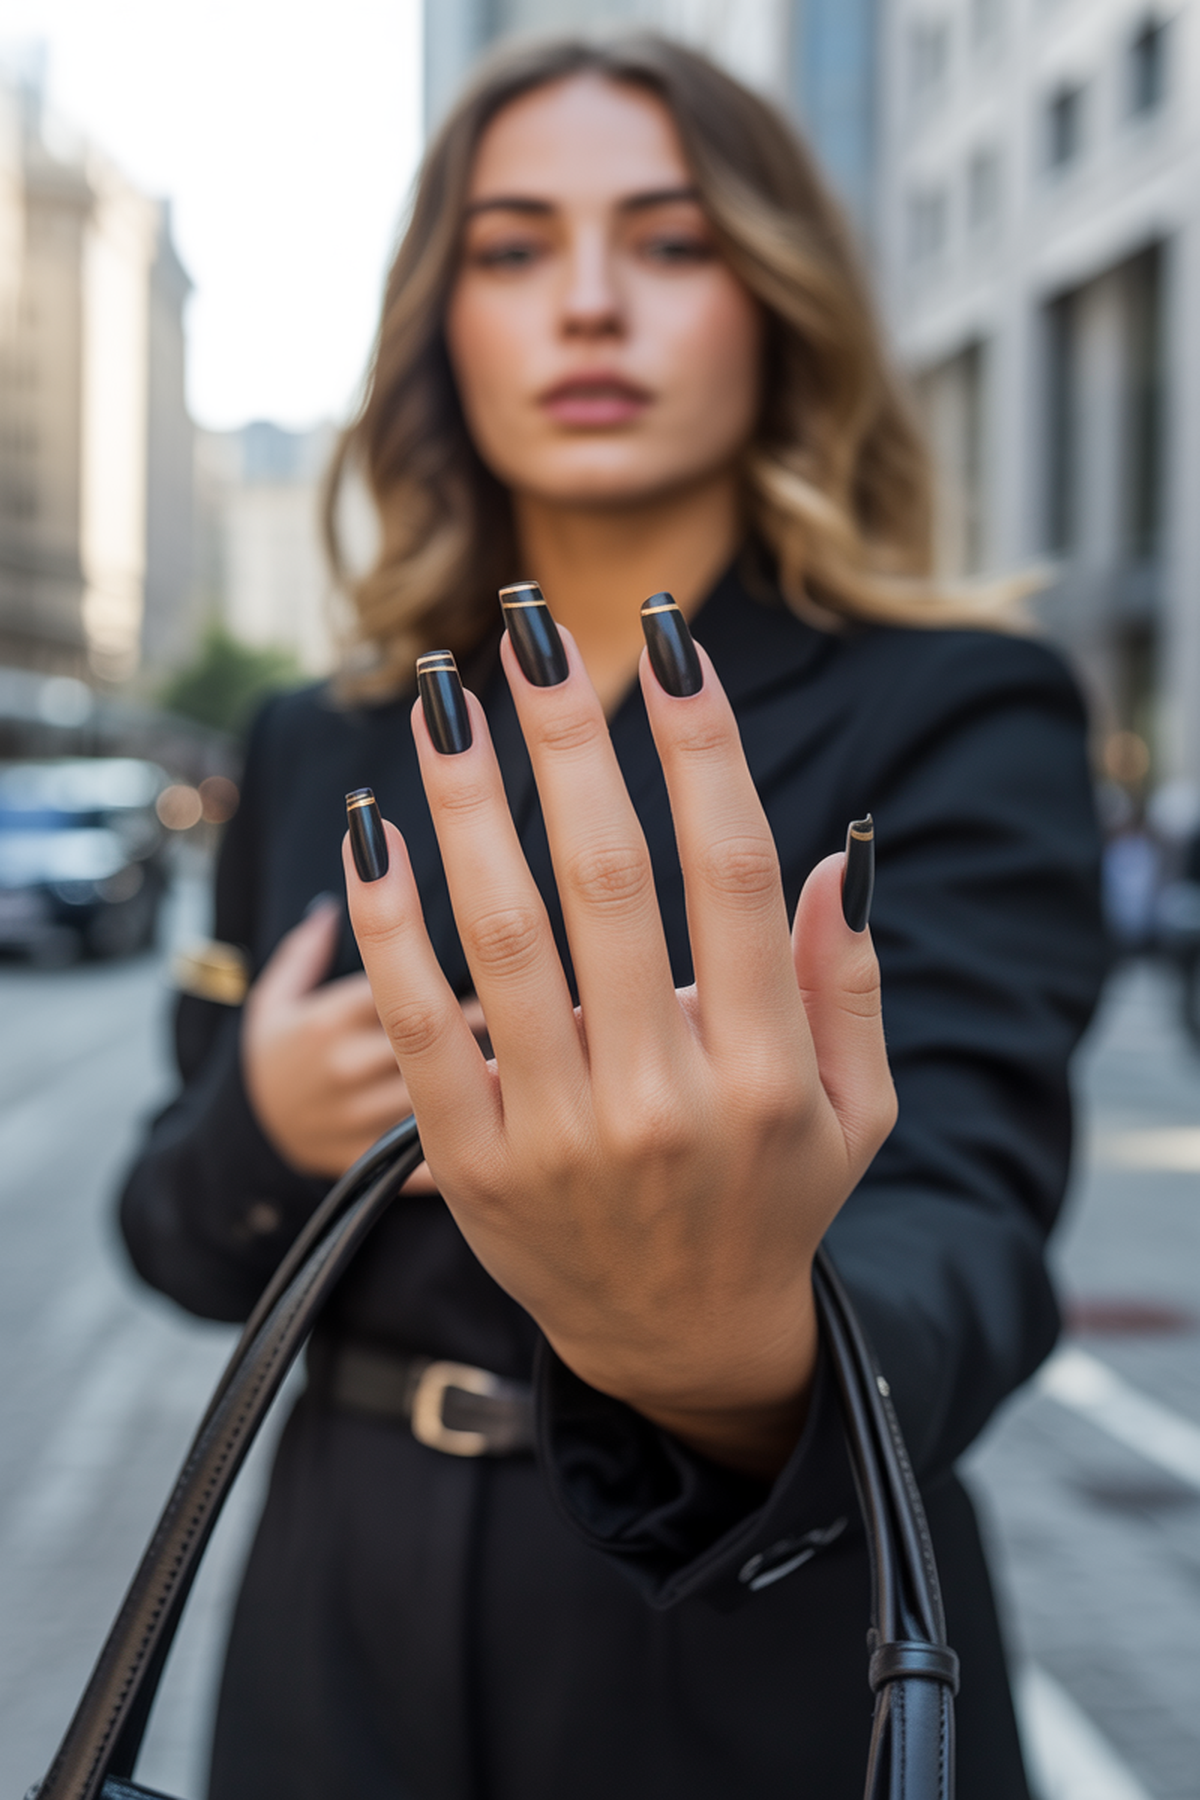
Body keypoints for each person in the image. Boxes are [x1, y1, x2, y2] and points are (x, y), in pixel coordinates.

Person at [118, 34, 1106, 1800]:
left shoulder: (961, 706)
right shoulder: (319, 736)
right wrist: (260, 1124)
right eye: (512, 248)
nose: (587, 304)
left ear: (777, 301)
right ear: (443, 319)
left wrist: (730, 1355)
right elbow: (177, 1237)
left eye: (668, 241)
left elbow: (972, 1218)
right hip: (337, 1633)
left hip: (773, 1651)